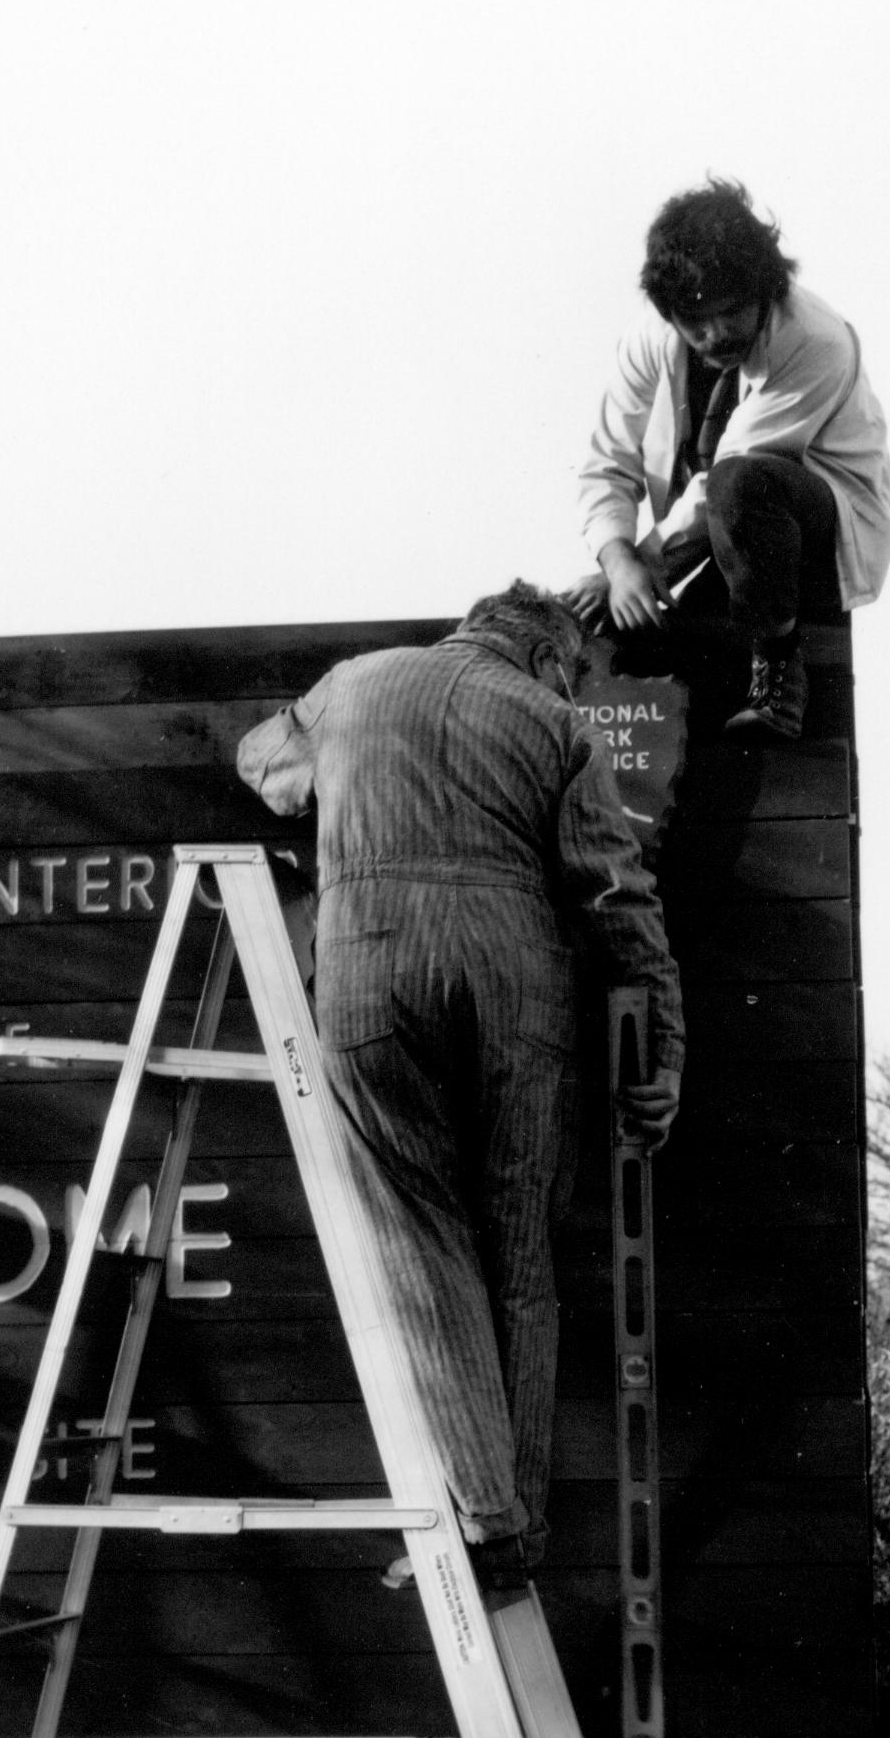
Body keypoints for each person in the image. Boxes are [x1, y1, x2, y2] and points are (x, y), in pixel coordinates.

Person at [234, 584, 683, 1579]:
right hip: (517, 984)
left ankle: (486, 1513)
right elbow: (621, 901)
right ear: (542, 661)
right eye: (572, 671)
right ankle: (511, 1521)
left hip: (375, 970)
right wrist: (660, 1062)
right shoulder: (556, 724)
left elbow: (261, 759)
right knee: (523, 1260)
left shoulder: (353, 686)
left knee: (420, 1238)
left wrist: (318, 793)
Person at [567, 178, 890, 742]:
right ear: (668, 314)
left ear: (765, 290)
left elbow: (732, 471)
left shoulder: (815, 340)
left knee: (740, 487)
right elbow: (608, 461)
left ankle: (778, 678)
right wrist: (616, 562)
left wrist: (639, 566)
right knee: (669, 660)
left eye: (734, 311)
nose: (716, 334)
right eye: (696, 321)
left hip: (809, 521)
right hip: (716, 537)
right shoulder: (649, 339)